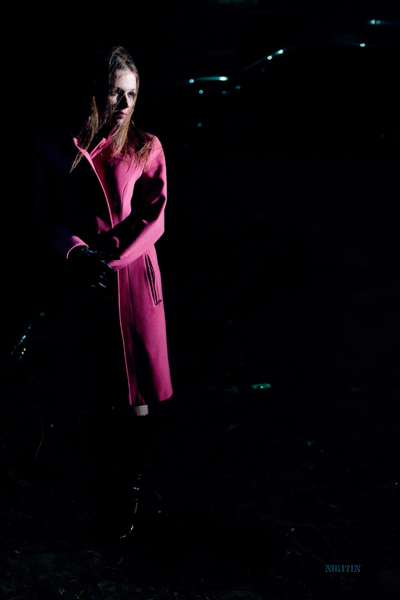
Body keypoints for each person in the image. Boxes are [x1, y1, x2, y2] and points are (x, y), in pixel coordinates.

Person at [35, 45, 173, 541]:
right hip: (85, 281)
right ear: (96, 91)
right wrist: (76, 253)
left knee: (135, 392)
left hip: (133, 279)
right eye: (117, 92)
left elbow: (154, 217)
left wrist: (112, 257)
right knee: (95, 392)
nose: (125, 103)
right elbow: (44, 217)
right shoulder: (58, 148)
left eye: (132, 94)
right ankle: (105, 494)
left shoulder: (145, 145)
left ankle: (128, 496)